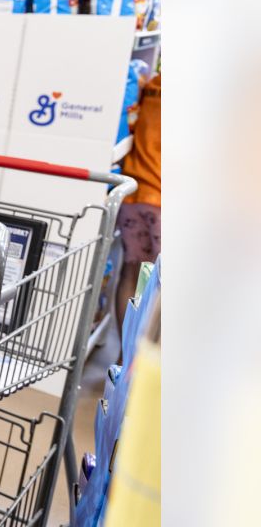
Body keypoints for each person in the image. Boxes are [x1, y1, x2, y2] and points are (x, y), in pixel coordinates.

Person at [115, 71, 161, 343]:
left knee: (131, 274)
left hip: (134, 194)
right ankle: (147, 361)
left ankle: (124, 355)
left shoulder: (151, 84)